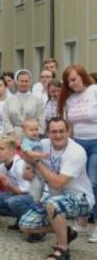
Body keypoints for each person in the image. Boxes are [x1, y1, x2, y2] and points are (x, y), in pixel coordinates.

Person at [19, 118, 95, 259]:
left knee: (53, 204)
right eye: (54, 132)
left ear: (69, 132)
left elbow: (58, 183)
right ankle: (65, 231)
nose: (58, 135)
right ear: (47, 133)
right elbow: (25, 154)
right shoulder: (42, 144)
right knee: (25, 225)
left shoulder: (76, 151)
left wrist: (37, 161)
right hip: (55, 198)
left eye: (62, 131)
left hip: (81, 198)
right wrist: (27, 171)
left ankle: (63, 249)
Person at [59, 64, 97, 242]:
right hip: (79, 144)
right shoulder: (70, 99)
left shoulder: (94, 90)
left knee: (94, 183)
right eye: (68, 82)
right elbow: (70, 125)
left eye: (74, 79)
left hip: (96, 142)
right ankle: (82, 222)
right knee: (80, 184)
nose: (72, 84)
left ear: (83, 76)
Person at [0, 136, 33, 236]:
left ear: (12, 151)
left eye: (2, 149)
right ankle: (21, 219)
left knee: (13, 201)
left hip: (36, 197)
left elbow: (25, 191)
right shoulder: (4, 165)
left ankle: (35, 223)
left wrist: (9, 185)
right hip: (20, 195)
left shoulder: (20, 165)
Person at [3, 69, 45, 138]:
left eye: (26, 81)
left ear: (30, 82)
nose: (24, 84)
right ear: (17, 82)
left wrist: (37, 135)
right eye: (21, 81)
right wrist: (12, 135)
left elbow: (41, 119)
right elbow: (6, 120)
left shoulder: (37, 100)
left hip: (32, 136)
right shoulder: (9, 100)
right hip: (13, 135)